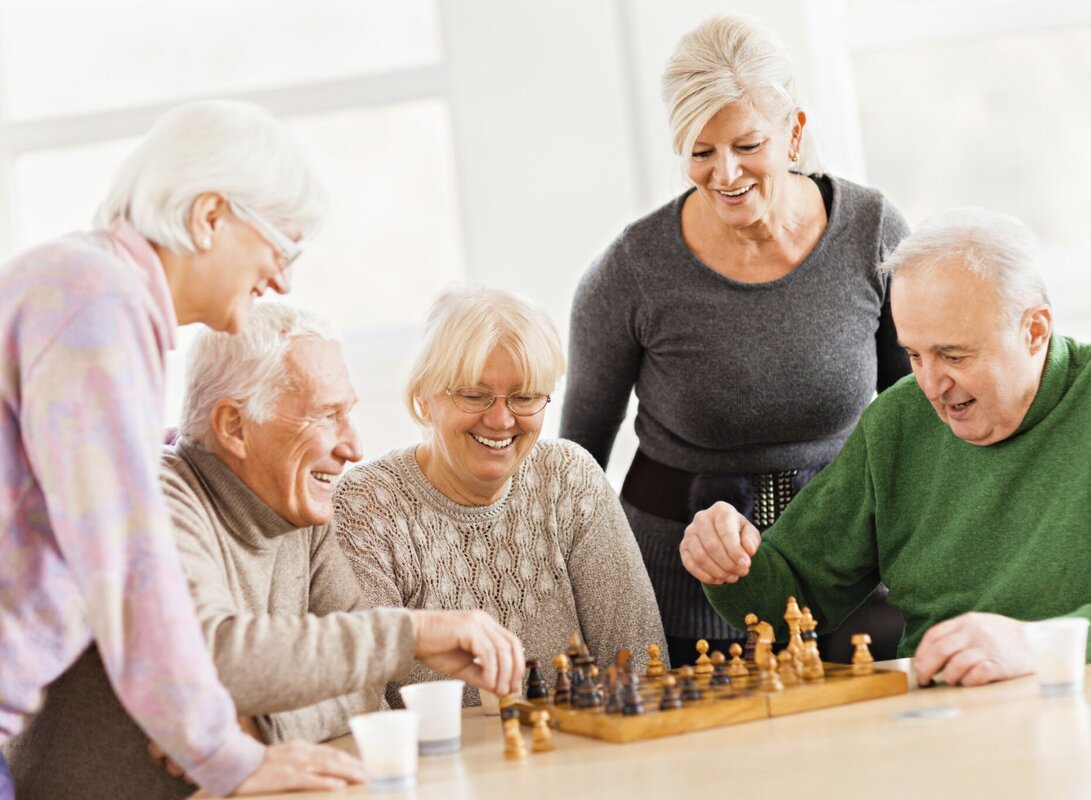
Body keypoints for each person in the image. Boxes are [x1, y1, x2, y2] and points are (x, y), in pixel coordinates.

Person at [8, 303, 526, 798]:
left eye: (349, 413)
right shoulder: (151, 501)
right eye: (327, 416)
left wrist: (260, 726)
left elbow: (366, 685)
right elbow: (201, 660)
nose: (354, 447)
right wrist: (409, 633)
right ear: (234, 425)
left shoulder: (301, 509)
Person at [0, 99, 363, 798]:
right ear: (210, 216)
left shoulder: (87, 286)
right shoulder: (96, 302)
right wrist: (228, 756)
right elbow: (129, 571)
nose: (281, 280)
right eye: (279, 249)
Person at [680, 207, 1091, 687]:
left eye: (953, 355)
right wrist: (729, 558)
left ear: (1035, 330)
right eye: (915, 355)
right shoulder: (897, 421)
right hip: (944, 716)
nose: (931, 385)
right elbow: (791, 598)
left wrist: (1040, 644)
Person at [561, 13, 910, 667]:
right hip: (680, 593)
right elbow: (573, 471)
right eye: (700, 151)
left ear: (794, 132)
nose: (724, 173)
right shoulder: (634, 269)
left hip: (846, 574)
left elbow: (917, 418)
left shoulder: (872, 231)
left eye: (747, 145)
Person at [335, 286, 666, 706]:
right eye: (474, 395)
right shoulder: (365, 507)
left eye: (525, 396)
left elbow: (640, 666)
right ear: (424, 397)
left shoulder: (570, 479)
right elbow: (363, 707)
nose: (500, 419)